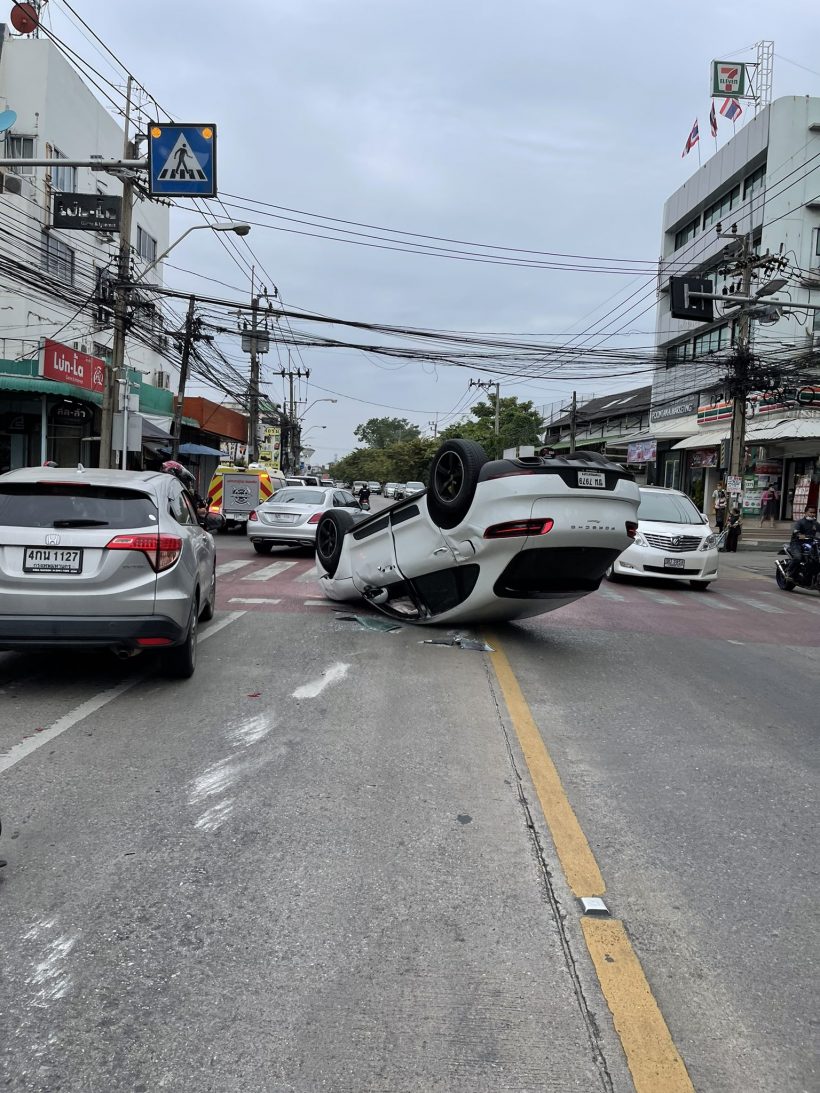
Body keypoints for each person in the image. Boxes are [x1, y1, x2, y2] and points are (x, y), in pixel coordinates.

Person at [787, 505, 819, 578]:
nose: (812, 514)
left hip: (811, 544)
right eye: (810, 512)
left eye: (814, 513)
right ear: (805, 512)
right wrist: (800, 535)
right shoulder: (800, 522)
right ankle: (789, 571)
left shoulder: (815, 523)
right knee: (798, 557)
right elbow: (796, 531)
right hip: (797, 543)